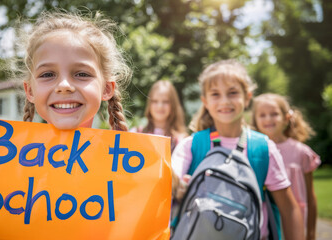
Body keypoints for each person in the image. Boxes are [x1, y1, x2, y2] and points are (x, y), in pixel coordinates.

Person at [0, 10, 132, 239]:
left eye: (81, 73)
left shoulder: (131, 170)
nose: (64, 85)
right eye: (47, 74)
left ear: (107, 89)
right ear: (30, 91)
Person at [171, 59, 304, 240]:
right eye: (215, 94)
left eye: (232, 93)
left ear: (247, 97)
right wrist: (179, 186)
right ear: (205, 102)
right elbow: (171, 180)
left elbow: (289, 210)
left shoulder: (263, 149)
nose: (224, 101)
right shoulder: (190, 146)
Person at [252, 93, 321, 240]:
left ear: (286, 118)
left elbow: (310, 196)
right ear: (255, 120)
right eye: (262, 115)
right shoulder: (253, 151)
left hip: (296, 224)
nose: (268, 119)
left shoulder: (302, 153)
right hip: (265, 226)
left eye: (274, 114)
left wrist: (311, 233)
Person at [132, 80, 187, 153]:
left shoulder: (181, 140)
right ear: (149, 104)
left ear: (173, 105)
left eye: (165, 101)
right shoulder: (135, 134)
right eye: (155, 101)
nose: (160, 106)